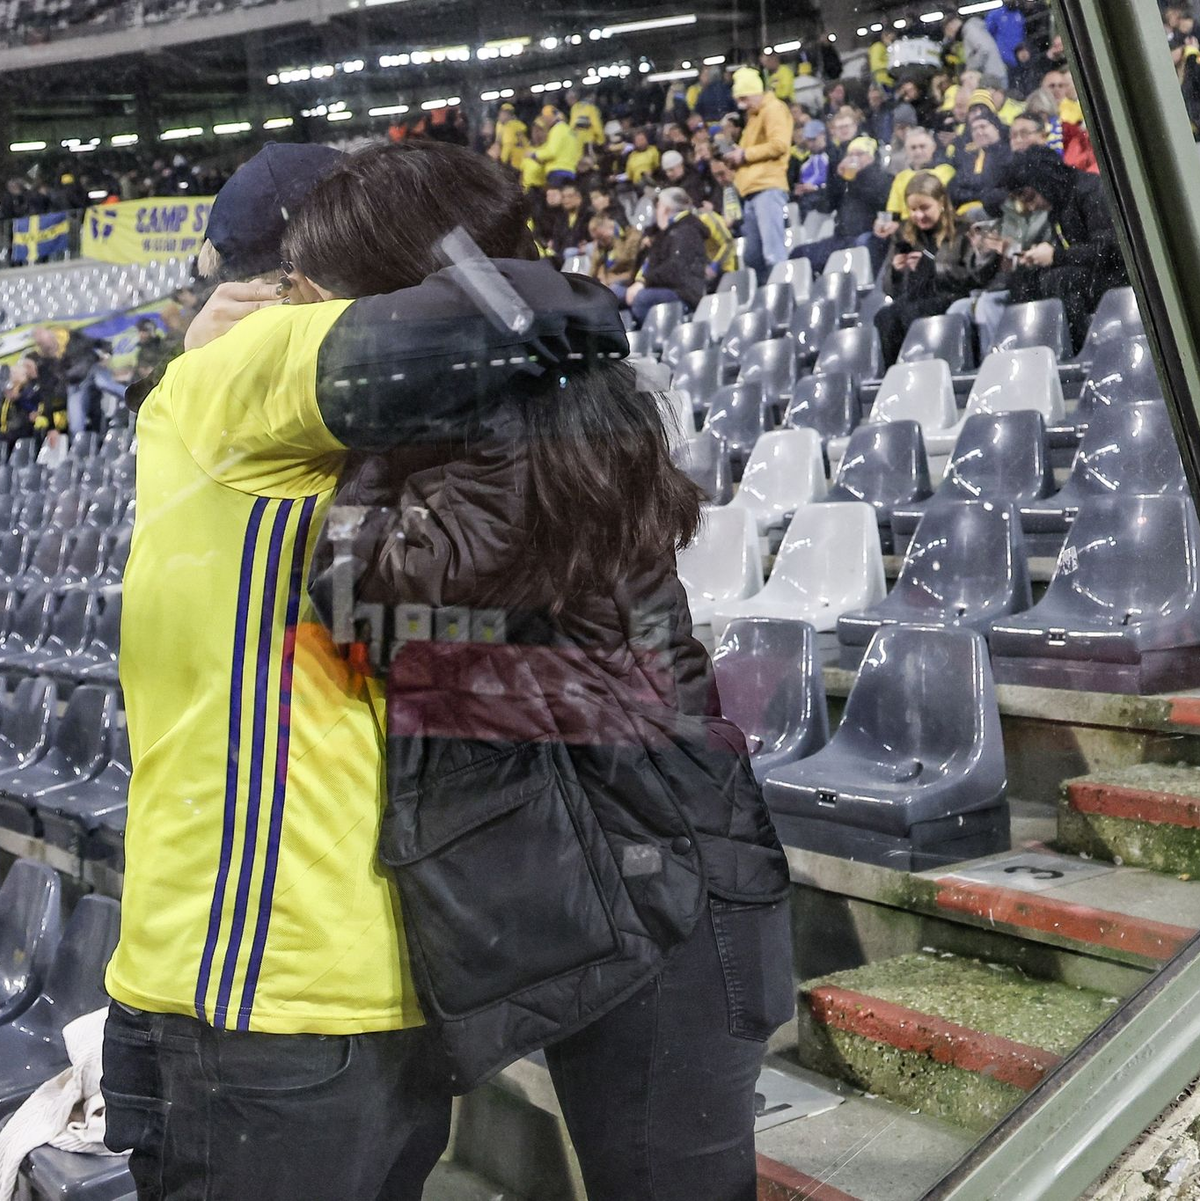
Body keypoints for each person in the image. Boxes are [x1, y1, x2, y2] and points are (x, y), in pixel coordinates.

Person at [101, 140, 652, 1201]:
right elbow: (558, 312)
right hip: (270, 996)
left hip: (344, 982)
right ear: (290, 289)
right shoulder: (237, 372)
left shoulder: (375, 459)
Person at [281, 140, 792, 1201]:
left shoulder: (520, 420)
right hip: (618, 883)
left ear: (397, 298)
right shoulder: (510, 402)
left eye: (334, 301)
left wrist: (350, 458)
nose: (317, 333)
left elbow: (360, 603)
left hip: (666, 893)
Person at [998, 143, 1126, 353]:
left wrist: (1055, 256)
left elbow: (1109, 251)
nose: (1030, 207)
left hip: (1116, 276)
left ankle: (1079, 354)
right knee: (1023, 281)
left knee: (1062, 280)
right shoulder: (1060, 202)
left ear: (1044, 181)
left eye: (1029, 197)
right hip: (1090, 275)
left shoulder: (1090, 191)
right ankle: (1030, 353)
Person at [875, 170, 999, 363]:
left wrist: (932, 268)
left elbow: (973, 277)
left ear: (941, 202)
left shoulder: (962, 230)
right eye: (913, 210)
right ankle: (896, 375)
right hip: (917, 297)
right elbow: (889, 288)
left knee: (909, 314)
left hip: (950, 296)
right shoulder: (904, 234)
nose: (919, 215)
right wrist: (897, 272)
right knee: (884, 316)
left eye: (925, 208)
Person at [725, 65, 794, 283]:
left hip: (768, 187)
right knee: (752, 256)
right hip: (752, 191)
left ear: (755, 91)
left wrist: (744, 154)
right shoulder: (754, 116)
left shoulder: (773, 109)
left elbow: (779, 145)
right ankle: (768, 297)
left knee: (774, 253)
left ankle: (783, 300)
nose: (741, 104)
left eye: (744, 98)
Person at [790, 135, 892, 274]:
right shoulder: (846, 181)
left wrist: (860, 175)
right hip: (842, 238)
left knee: (861, 246)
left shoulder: (885, 178)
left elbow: (879, 201)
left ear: (872, 157)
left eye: (859, 154)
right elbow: (826, 206)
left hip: (869, 236)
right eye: (850, 155)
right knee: (799, 252)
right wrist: (836, 177)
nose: (853, 159)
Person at [617, 187, 708, 324]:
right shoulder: (665, 233)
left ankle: (650, 339)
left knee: (642, 298)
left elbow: (675, 269)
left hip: (683, 293)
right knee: (611, 293)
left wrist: (644, 282)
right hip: (663, 286)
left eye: (658, 206)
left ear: (666, 209)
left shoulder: (685, 231)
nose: (655, 212)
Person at [948, 109, 1012, 219]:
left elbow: (1002, 192)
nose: (978, 132)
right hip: (964, 213)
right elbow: (953, 190)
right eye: (974, 129)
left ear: (996, 129)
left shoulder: (1008, 154)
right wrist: (980, 195)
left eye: (983, 126)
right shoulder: (968, 157)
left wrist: (976, 195)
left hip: (996, 214)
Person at [943, 13, 1007, 84]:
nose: (950, 36)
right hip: (993, 74)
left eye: (948, 31)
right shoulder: (970, 31)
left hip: (991, 76)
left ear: (951, 25)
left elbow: (984, 49)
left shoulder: (970, 29)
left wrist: (970, 69)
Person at [531, 105, 582, 186]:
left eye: (545, 118)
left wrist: (534, 154)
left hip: (557, 172)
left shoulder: (557, 129)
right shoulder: (568, 130)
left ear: (550, 117)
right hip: (570, 171)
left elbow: (551, 152)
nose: (544, 121)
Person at [588, 213, 642, 288]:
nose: (599, 242)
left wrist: (616, 239)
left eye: (601, 237)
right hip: (608, 280)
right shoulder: (602, 245)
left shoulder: (632, 236)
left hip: (627, 278)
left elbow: (624, 259)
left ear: (610, 227)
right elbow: (593, 269)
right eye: (596, 239)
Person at [985, 0, 1026, 73]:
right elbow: (987, 34)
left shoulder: (1018, 14)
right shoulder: (995, 14)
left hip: (1018, 58)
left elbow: (1022, 34)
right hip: (1002, 59)